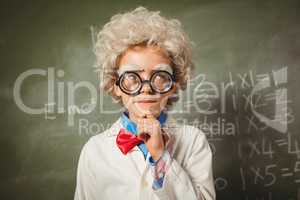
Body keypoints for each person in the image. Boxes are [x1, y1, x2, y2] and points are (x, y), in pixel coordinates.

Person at [74, 6, 216, 200]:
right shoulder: (95, 150)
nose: (146, 88)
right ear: (115, 85)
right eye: (132, 76)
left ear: (174, 85)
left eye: (159, 76)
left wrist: (160, 155)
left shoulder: (193, 141)